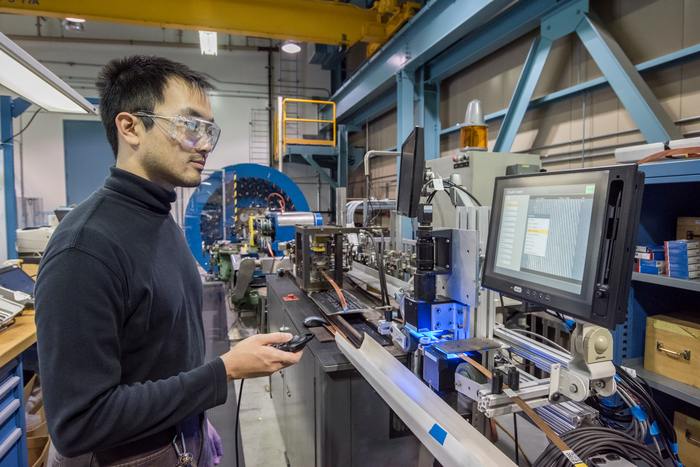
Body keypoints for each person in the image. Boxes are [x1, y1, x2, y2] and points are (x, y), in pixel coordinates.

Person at [34, 55, 302, 466]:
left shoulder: (158, 218)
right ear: (131, 127)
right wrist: (223, 371)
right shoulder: (86, 247)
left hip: (177, 441)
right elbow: (79, 423)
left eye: (209, 129)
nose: (206, 143)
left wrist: (193, 422)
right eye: (190, 125)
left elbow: (161, 356)